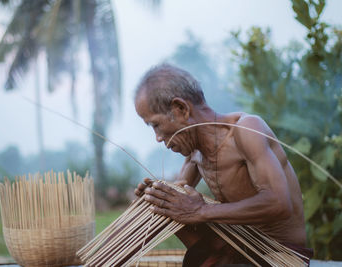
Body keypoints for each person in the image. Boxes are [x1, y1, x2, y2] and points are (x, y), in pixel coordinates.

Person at [133, 64, 313, 266]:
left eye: (156, 124)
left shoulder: (246, 130)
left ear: (181, 109)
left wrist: (200, 211)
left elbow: (279, 203)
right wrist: (156, 197)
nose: (157, 137)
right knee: (177, 211)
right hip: (237, 248)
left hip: (279, 256)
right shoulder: (195, 151)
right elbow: (180, 202)